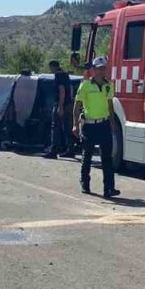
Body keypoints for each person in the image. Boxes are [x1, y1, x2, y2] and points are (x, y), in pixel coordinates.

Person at [73, 56, 119, 198]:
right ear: (93, 70)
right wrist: (75, 126)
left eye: (103, 68)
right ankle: (85, 183)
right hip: (89, 125)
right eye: (98, 69)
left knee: (107, 158)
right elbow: (77, 106)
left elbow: (110, 106)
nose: (101, 71)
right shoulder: (85, 85)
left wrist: (112, 124)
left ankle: (109, 189)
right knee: (87, 157)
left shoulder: (108, 85)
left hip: (104, 124)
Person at [42, 59, 74, 159]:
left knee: (55, 127)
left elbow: (62, 91)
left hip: (62, 104)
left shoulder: (58, 76)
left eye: (51, 67)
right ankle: (71, 149)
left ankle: (54, 150)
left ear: (53, 66)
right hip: (68, 104)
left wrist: (60, 107)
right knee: (67, 128)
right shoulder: (66, 75)